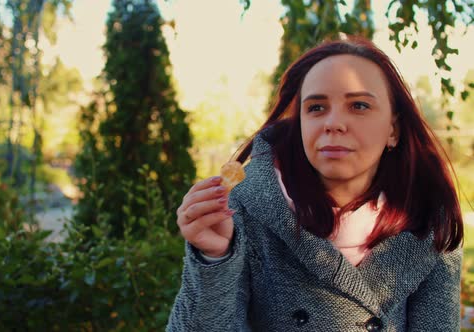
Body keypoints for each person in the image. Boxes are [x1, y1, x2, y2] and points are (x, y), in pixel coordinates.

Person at [166, 36, 464, 331]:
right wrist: (213, 257)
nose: (333, 123)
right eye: (316, 108)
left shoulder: (430, 221)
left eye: (359, 105)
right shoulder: (243, 209)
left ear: (393, 130)